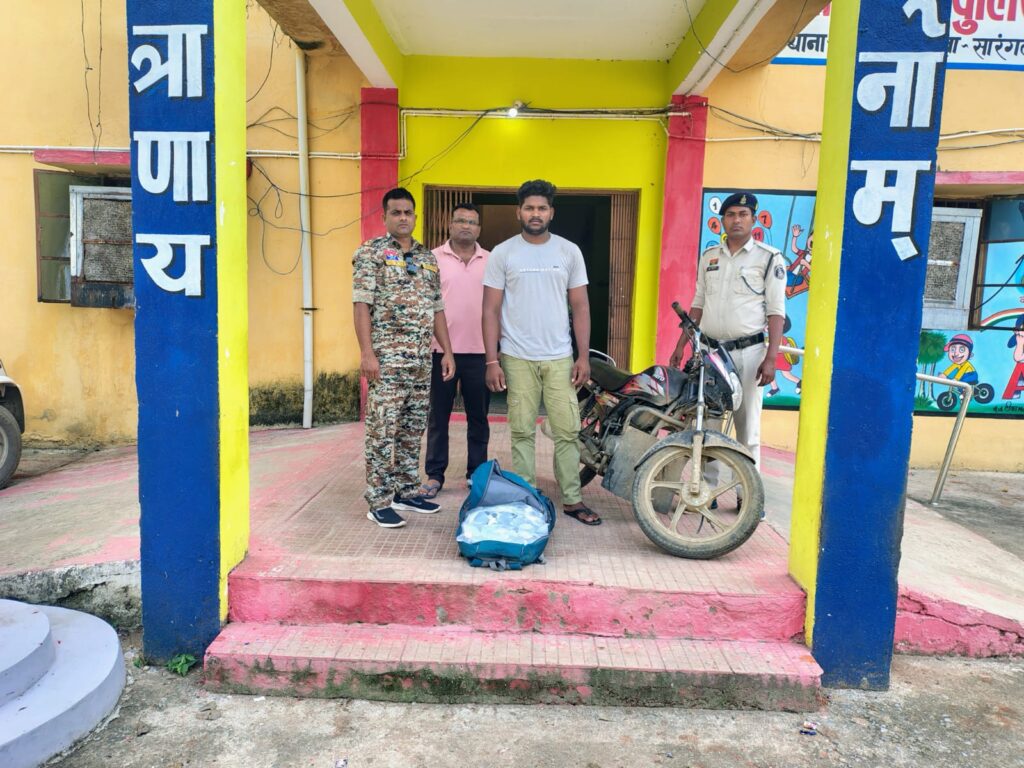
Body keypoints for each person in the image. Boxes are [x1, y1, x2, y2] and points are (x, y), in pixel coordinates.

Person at [482, 179, 600, 525]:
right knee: (521, 430)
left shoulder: (568, 251)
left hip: (560, 357)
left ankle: (572, 499)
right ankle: (527, 496)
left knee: (567, 431)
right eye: (530, 208)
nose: (536, 214)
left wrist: (582, 356)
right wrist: (492, 360)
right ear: (519, 212)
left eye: (542, 208)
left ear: (552, 213)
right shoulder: (503, 253)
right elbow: (490, 309)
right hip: (516, 356)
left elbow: (580, 306)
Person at [352, 187, 456, 528]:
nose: (403, 218)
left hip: (420, 361)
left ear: (415, 216)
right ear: (384, 217)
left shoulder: (427, 258)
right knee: (382, 430)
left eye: (408, 212)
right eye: (396, 212)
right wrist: (367, 353)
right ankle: (379, 500)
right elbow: (361, 305)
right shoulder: (371, 252)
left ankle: (406, 491)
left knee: (412, 428)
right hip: (387, 360)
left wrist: (446, 351)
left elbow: (437, 307)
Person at [669, 192, 786, 481]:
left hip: (749, 354)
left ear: (753, 220)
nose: (737, 220)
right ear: (722, 220)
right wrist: (681, 345)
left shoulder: (769, 258)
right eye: (731, 215)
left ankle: (746, 493)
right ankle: (707, 489)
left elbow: (776, 312)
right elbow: (698, 304)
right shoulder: (709, 257)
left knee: (747, 426)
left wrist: (772, 358)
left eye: (743, 215)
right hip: (710, 353)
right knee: (708, 422)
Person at [418, 203, 491, 498]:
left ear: (479, 229)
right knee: (439, 416)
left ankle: (477, 474)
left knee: (478, 418)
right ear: (449, 225)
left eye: (472, 222)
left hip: (481, 352)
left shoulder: (491, 260)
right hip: (440, 352)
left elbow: (500, 306)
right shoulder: (432, 259)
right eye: (460, 220)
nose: (465, 226)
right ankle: (435, 475)